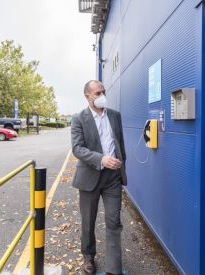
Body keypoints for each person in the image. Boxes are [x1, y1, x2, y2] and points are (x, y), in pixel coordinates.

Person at [71, 80, 127, 275]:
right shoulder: (79, 118)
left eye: (103, 92)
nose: (102, 96)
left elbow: (119, 143)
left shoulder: (115, 116)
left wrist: (120, 166)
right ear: (87, 96)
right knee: (88, 222)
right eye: (97, 93)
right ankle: (88, 258)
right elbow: (77, 149)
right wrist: (102, 159)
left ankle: (114, 268)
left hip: (112, 178)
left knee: (114, 221)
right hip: (89, 178)